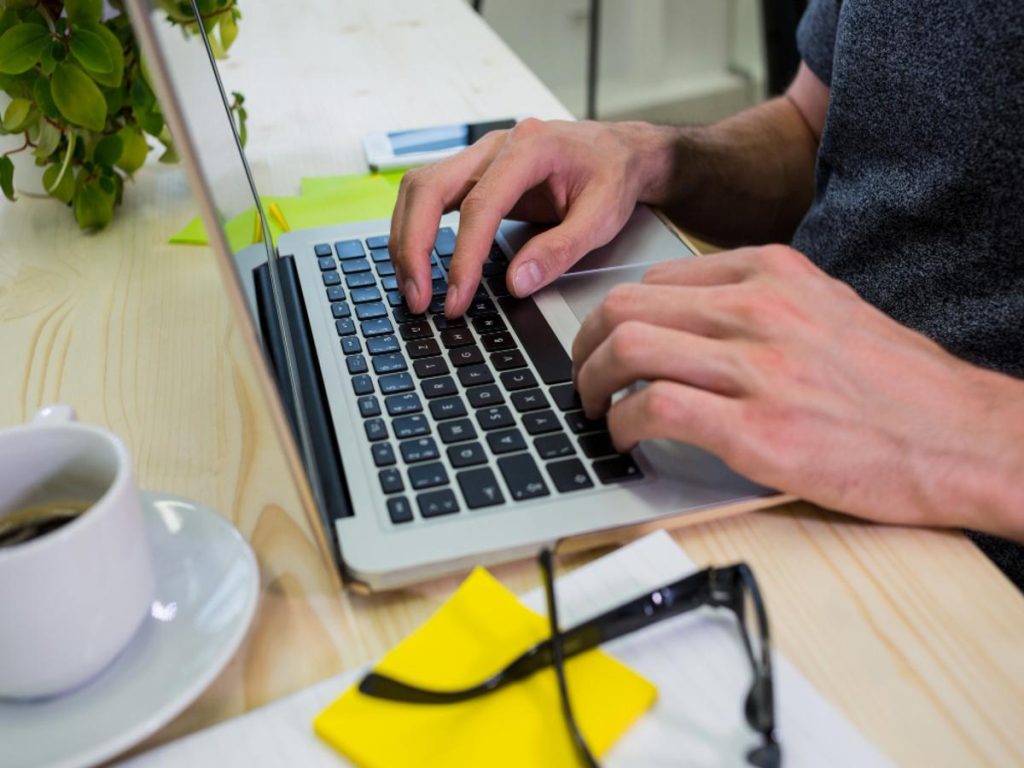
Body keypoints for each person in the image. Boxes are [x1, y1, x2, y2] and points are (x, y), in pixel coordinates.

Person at [389, 0, 1024, 587]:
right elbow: (813, 131)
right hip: (771, 435)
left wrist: (951, 421)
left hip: (974, 566)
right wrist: (647, 156)